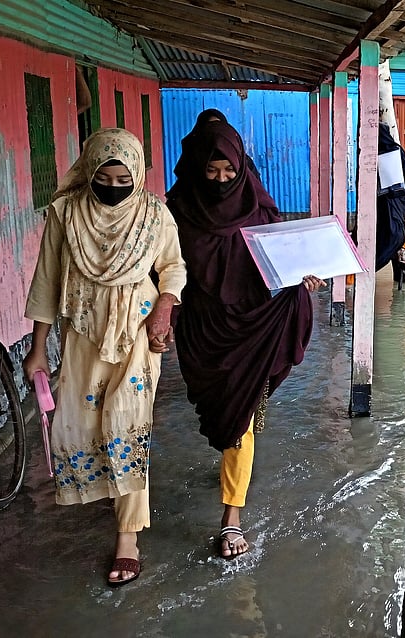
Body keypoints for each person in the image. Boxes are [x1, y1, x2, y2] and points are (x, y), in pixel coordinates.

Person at [22, 128, 188, 587]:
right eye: (104, 179)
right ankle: (105, 493)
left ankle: (127, 537)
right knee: (81, 426)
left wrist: (164, 308)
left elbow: (173, 267)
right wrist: (38, 350)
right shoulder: (66, 213)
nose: (114, 189)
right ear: (88, 171)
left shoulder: (155, 215)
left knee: (126, 424)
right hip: (81, 333)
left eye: (123, 180)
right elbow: (47, 282)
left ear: (136, 174)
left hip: (136, 331)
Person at [166, 121, 325, 560]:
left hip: (254, 325)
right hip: (203, 330)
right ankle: (230, 462)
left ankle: (231, 517)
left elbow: (281, 260)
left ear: (241, 167)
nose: (220, 180)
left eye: (228, 172)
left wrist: (301, 280)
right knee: (221, 414)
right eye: (211, 172)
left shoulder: (258, 205)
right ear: (197, 166)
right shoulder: (176, 209)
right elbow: (164, 269)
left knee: (242, 420)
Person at [374, 123, 405, 272]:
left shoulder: (396, 152)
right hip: (380, 206)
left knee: (393, 238)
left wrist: (393, 191)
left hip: (394, 204)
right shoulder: (370, 154)